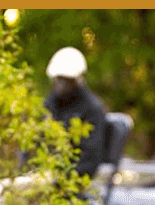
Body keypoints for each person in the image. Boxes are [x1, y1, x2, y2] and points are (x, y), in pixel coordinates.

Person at [42, 46, 107, 180]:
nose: (61, 84)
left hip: (70, 180)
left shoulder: (91, 109)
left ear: (77, 79)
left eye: (66, 80)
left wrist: (62, 179)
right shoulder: (50, 104)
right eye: (59, 78)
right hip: (45, 175)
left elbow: (90, 158)